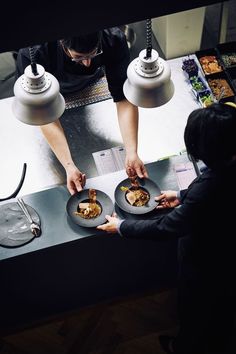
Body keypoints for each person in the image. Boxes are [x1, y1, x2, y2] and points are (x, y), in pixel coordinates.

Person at [97, 102, 236, 354]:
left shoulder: (209, 188)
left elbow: (167, 227)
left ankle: (184, 347)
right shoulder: (227, 164)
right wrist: (182, 196)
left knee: (198, 312)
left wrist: (122, 226)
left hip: (209, 265)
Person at [15, 28, 148, 195]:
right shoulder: (34, 55)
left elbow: (123, 97)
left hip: (90, 85)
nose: (87, 63)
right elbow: (44, 114)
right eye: (78, 57)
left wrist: (131, 151)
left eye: (93, 54)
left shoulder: (113, 39)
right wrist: (68, 165)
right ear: (62, 42)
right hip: (48, 88)